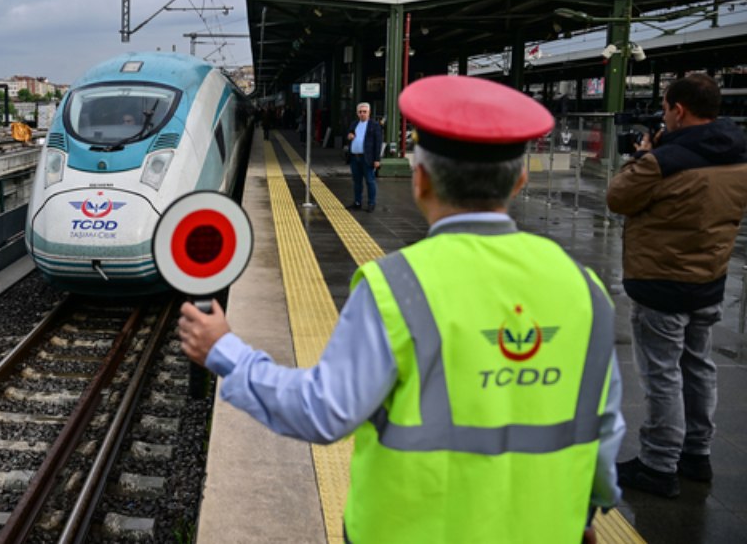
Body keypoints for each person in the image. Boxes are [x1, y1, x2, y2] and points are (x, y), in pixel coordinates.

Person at [178, 75, 623, 544]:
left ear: (420, 177)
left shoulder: (398, 287)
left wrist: (225, 352)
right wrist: (588, 514)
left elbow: (323, 410)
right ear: (521, 178)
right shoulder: (584, 289)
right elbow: (605, 428)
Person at [607, 73, 747, 497]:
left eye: (666, 109)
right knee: (699, 367)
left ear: (678, 109)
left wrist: (645, 155)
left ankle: (658, 464)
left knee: (662, 373)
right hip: (709, 278)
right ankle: (696, 454)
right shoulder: (739, 153)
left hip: (663, 281)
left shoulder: (662, 161)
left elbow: (618, 197)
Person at [346, 102, 384, 212]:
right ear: (357, 113)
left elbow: (378, 143)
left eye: (364, 112)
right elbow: (349, 136)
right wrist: (349, 136)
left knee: (370, 181)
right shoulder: (354, 124)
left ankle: (371, 203)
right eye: (360, 112)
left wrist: (377, 159)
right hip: (354, 157)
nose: (362, 114)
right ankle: (357, 202)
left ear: (369, 112)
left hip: (367, 158)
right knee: (357, 181)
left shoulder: (374, 125)